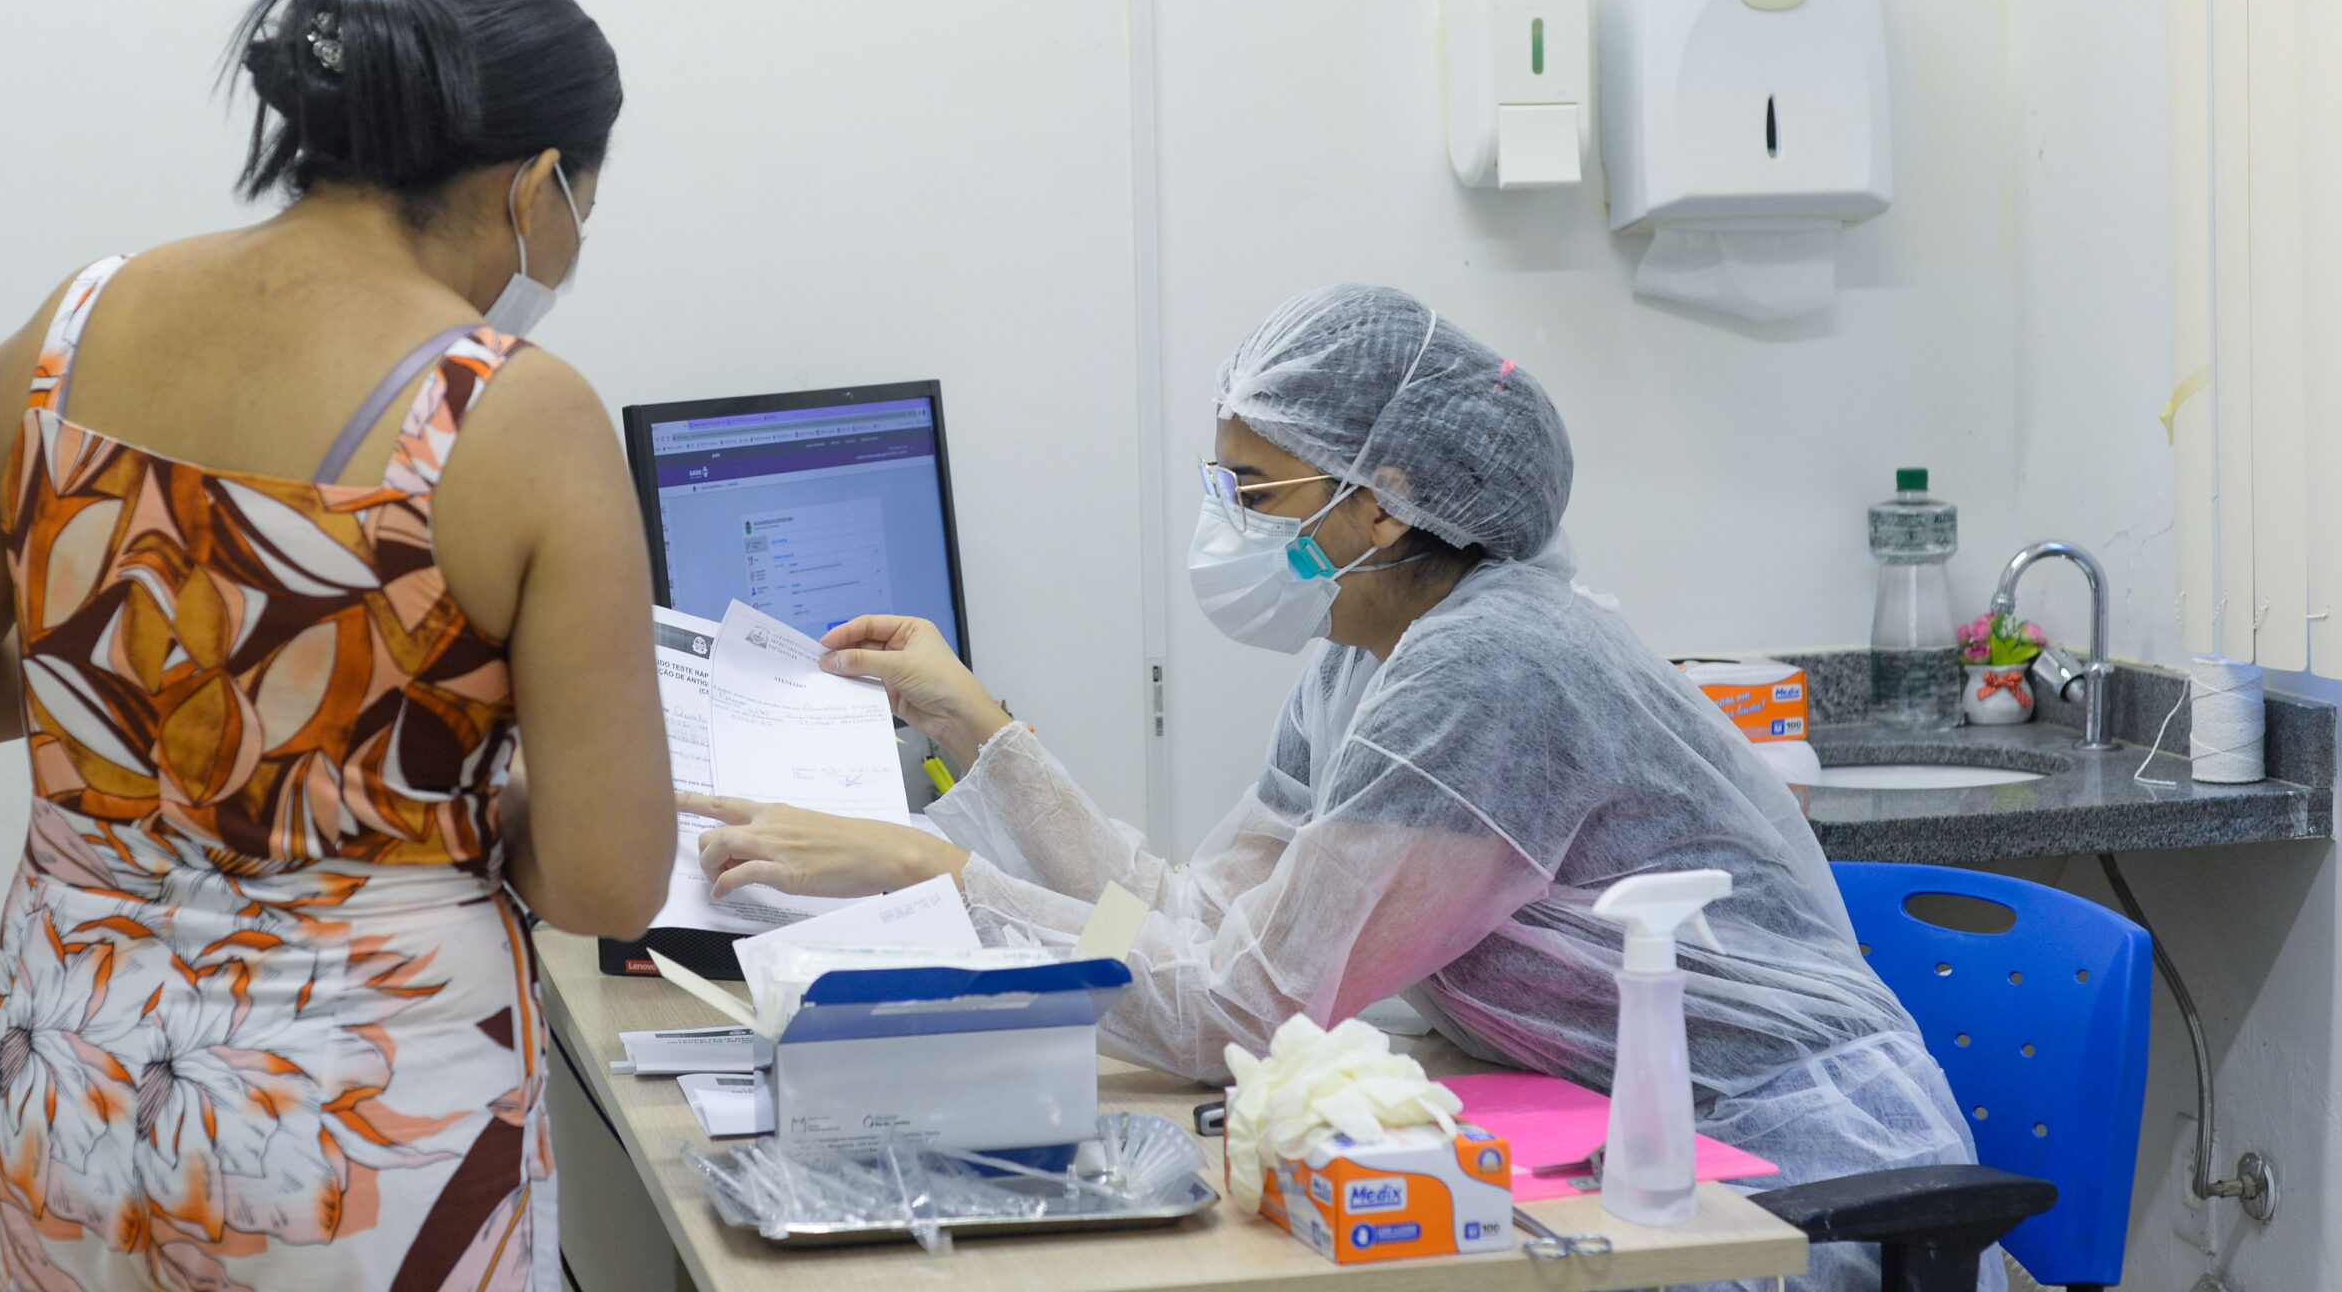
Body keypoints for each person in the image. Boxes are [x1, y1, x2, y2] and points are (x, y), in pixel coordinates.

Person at [688, 285, 1999, 1292]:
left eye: (1257, 491)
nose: (1227, 523)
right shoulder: (1362, 658)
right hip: (1622, 1141)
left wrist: (946, 876)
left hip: (1788, 1178)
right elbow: (1195, 919)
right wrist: (977, 727)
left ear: (1385, 505)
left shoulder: (1490, 667)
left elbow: (1235, 1008)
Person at [0, 0, 676, 1290]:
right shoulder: (511, 416)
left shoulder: (70, 331)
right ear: (534, 188)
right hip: (346, 1117)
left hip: (76, 1083)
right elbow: (605, 879)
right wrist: (438, 795)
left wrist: (144, 711)